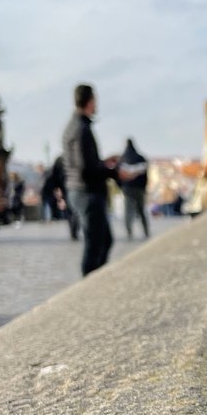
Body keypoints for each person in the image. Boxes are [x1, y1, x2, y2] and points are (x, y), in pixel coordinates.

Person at [62, 84, 116, 276]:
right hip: (87, 192)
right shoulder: (81, 128)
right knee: (95, 244)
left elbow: (84, 163)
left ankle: (95, 280)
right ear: (90, 101)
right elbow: (86, 168)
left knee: (103, 240)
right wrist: (113, 171)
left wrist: (104, 164)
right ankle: (90, 285)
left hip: (80, 190)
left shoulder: (75, 125)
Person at [118, 138, 150, 239]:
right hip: (139, 189)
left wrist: (122, 187)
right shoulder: (140, 158)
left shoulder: (122, 159)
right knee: (141, 211)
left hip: (127, 189)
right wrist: (144, 187)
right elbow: (145, 176)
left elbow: (118, 176)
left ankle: (129, 231)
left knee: (128, 211)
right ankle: (146, 230)